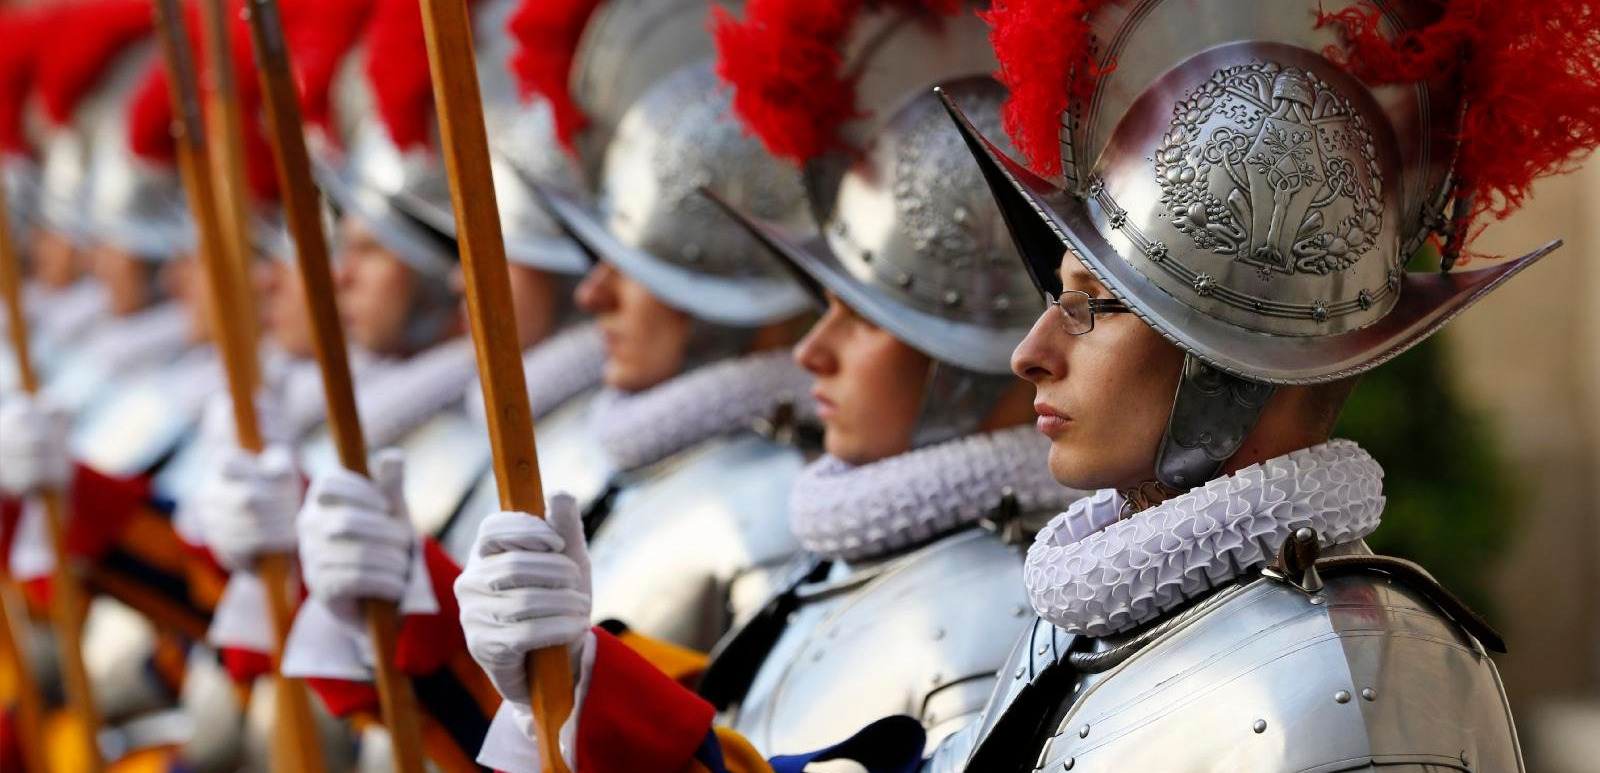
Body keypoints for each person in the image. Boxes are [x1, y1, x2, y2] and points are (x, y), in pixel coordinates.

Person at [454, 2, 1093, 768]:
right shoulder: (834, 560)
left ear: (963, 364)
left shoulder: (984, 610)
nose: (813, 349)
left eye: (860, 318)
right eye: (826, 309)